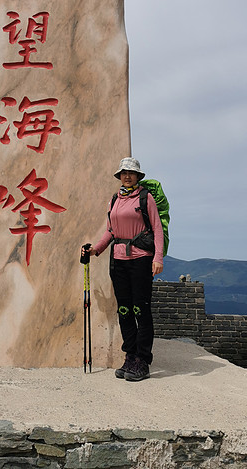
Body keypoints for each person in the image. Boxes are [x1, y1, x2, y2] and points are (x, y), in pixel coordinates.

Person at [81, 157, 164, 382]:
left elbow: (157, 229)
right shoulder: (114, 200)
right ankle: (130, 355)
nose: (127, 176)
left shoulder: (146, 198)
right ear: (119, 176)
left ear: (138, 176)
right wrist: (95, 250)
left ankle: (143, 359)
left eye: (131, 172)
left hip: (141, 260)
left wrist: (158, 258)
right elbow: (110, 230)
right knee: (125, 309)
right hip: (118, 260)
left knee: (141, 309)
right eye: (123, 173)